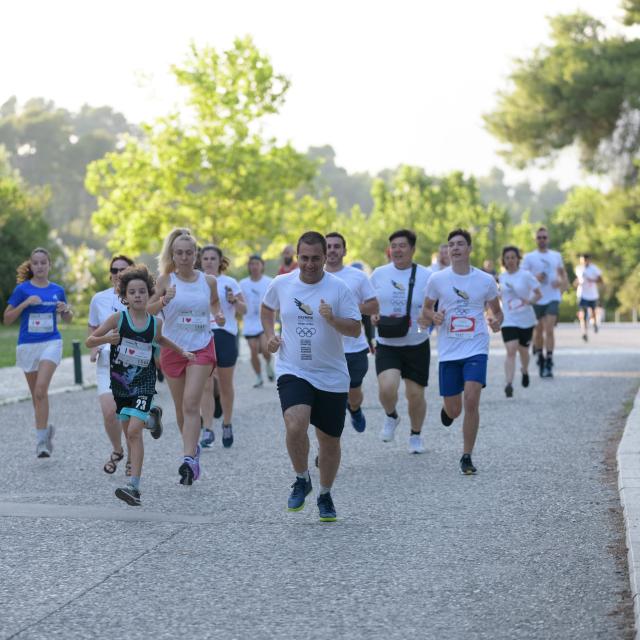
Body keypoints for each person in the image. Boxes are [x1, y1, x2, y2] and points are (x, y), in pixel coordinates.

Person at [261, 231, 361, 522]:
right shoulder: (282, 283)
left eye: (315, 258)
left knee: (329, 442)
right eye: (304, 258)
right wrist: (270, 336)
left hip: (331, 374)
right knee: (295, 422)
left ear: (325, 257)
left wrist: (332, 319)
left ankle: (325, 494)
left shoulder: (339, 288)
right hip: (294, 368)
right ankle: (301, 477)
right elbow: (267, 309)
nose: (309, 264)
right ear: (297, 256)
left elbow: (355, 329)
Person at [87, 265, 195, 506]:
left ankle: (133, 486)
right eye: (133, 292)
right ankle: (151, 417)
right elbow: (89, 340)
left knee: (134, 432)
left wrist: (182, 351)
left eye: (142, 291)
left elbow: (160, 339)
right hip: (120, 383)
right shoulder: (118, 319)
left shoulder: (154, 322)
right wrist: (107, 339)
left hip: (144, 383)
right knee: (130, 433)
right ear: (124, 296)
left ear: (149, 294)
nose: (138, 296)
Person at [421, 228, 503, 475]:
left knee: (471, 398)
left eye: (459, 244)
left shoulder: (485, 281)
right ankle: (448, 411)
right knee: (455, 409)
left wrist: (497, 321)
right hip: (449, 350)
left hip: (476, 346)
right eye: (450, 244)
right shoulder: (437, 280)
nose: (454, 248)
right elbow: (425, 310)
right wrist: (433, 315)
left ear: (469, 249)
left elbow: (496, 311)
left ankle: (466, 456)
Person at [148, 229, 225, 486]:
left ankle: (188, 459)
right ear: (172, 254)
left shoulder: (208, 281)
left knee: (192, 403)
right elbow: (146, 310)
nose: (184, 257)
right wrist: (162, 301)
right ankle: (192, 450)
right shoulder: (164, 280)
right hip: (172, 347)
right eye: (178, 253)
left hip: (202, 346)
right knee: (182, 408)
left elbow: (214, 303)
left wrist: (219, 313)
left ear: (196, 255)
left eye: (189, 253)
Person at [3, 248, 73, 458]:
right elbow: (7, 319)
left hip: (51, 342)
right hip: (27, 345)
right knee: (37, 396)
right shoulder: (22, 290)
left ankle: (41, 443)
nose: (40, 266)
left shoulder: (58, 289)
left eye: (44, 263)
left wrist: (65, 310)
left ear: (49, 265)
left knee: (41, 390)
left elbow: (68, 319)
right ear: (31, 266)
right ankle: (45, 431)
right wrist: (25, 303)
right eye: (36, 263)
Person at [370, 229, 433, 454]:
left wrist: (423, 325)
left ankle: (415, 435)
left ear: (413, 249)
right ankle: (391, 416)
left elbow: (432, 309)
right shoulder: (378, 274)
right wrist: (373, 316)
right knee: (387, 388)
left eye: (402, 246)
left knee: (415, 395)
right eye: (394, 246)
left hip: (416, 344)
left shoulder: (427, 276)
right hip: (387, 343)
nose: (397, 250)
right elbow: (370, 303)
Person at [325, 232, 379, 432]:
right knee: (328, 400)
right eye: (328, 246)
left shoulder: (357, 277)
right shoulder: (314, 277)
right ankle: (327, 442)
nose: (332, 250)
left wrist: (352, 309)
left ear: (344, 251)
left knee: (353, 394)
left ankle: (354, 409)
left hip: (354, 347)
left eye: (336, 246)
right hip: (325, 349)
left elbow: (374, 306)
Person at [199, 245, 246, 449]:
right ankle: (208, 429)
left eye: (212, 258)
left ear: (220, 261)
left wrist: (234, 300)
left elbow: (244, 310)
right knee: (206, 385)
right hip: (201, 336)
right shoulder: (195, 281)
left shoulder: (230, 282)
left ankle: (227, 423)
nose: (209, 261)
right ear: (200, 261)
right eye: (205, 258)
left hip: (225, 335)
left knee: (225, 385)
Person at [522, 227, 568, 378]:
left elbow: (562, 275)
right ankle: (540, 357)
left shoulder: (556, 256)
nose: (542, 240)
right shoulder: (529, 257)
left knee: (549, 329)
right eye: (539, 237)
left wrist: (560, 283)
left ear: (548, 239)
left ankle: (549, 360)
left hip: (552, 297)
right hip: (536, 298)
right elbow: (522, 276)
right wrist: (535, 277)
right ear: (535, 239)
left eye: (544, 237)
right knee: (538, 331)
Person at [498, 246, 542, 398]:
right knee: (511, 350)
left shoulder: (526, 275)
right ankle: (509, 383)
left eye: (512, 257)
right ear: (503, 260)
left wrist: (530, 301)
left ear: (518, 259)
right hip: (508, 319)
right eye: (507, 257)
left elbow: (538, 294)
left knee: (524, 350)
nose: (510, 260)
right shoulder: (501, 277)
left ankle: (524, 369)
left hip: (525, 319)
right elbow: (499, 296)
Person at [239, 254, 274, 388]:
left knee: (265, 348)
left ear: (262, 266)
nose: (254, 266)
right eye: (251, 264)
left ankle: (269, 364)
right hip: (249, 321)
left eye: (257, 264)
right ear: (249, 266)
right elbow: (239, 301)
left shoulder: (269, 281)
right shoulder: (243, 283)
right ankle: (259, 377)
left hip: (264, 320)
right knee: (253, 350)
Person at [574, 254, 603, 341]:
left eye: (585, 260)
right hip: (582, 295)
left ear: (588, 260)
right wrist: (576, 283)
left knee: (593, 312)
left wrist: (592, 280)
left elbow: (601, 280)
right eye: (581, 260)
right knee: (583, 313)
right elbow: (577, 280)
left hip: (592, 295)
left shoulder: (594, 268)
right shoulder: (578, 269)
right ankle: (584, 332)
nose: (583, 262)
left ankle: (594, 323)